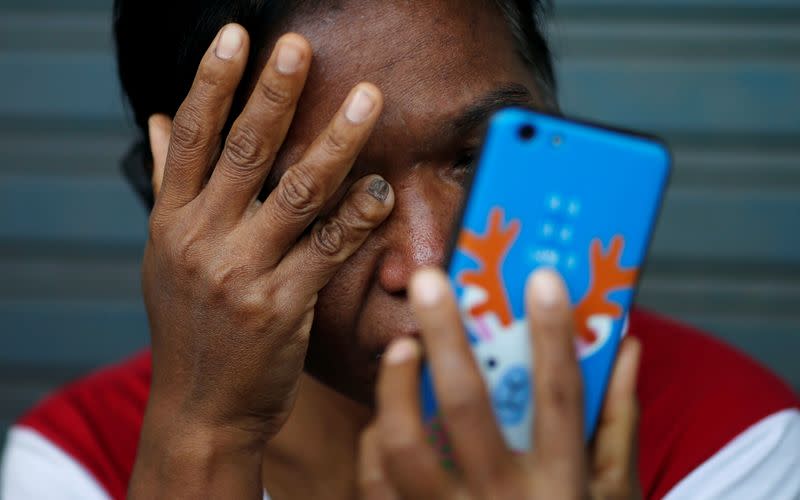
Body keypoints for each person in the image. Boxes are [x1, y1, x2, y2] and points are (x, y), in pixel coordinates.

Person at [2, 1, 799, 498]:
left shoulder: (727, 441)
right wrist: (204, 438)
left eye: (480, 156)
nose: (427, 273)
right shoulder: (81, 462)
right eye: (317, 194)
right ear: (173, 216)